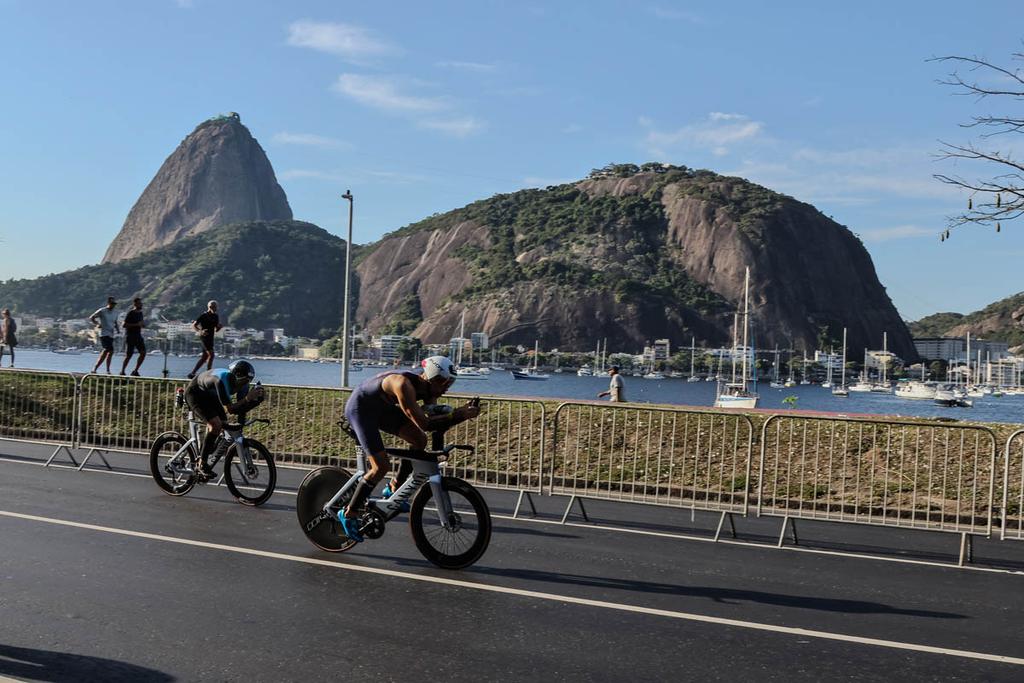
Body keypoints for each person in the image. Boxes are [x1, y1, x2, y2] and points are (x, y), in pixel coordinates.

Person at [338, 355, 480, 542]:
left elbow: (433, 422)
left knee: (419, 440)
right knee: (380, 467)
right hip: (361, 409)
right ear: (430, 377)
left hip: (382, 408)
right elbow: (425, 423)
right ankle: (349, 513)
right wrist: (459, 415)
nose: (446, 387)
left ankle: (394, 487)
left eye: (450, 383)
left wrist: (455, 415)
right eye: (444, 382)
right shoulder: (403, 385)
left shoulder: (430, 391)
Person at [183, 359, 265, 478]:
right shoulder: (221, 380)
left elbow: (239, 410)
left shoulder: (243, 384)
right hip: (195, 394)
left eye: (248, 382)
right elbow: (231, 409)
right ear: (236, 376)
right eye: (243, 381)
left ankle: (207, 450)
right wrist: (248, 398)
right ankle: (201, 464)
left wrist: (257, 401)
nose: (244, 385)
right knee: (215, 425)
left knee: (223, 424)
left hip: (210, 395)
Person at [188, 300, 222, 379]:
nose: (215, 309)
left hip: (211, 337)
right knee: (211, 355)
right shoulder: (204, 315)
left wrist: (220, 327)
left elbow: (216, 329)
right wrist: (200, 331)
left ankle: (192, 373)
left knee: (204, 357)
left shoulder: (216, 316)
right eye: (213, 307)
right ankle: (208, 373)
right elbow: (194, 325)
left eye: (216, 307)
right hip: (204, 337)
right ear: (209, 307)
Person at [89, 297, 120, 374]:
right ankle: (101, 369)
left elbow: (115, 322)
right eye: (112, 304)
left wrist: (118, 329)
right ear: (108, 303)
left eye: (114, 304)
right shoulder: (102, 311)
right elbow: (92, 317)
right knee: (109, 350)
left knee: (108, 351)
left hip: (111, 334)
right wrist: (97, 324)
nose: (113, 305)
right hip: (103, 333)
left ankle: (104, 369)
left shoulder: (115, 312)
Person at [120, 298, 147, 376]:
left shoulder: (140, 313)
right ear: (135, 304)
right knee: (129, 355)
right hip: (130, 336)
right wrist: (136, 325)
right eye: (139, 303)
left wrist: (142, 325)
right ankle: (122, 371)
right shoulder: (131, 313)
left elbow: (141, 323)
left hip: (138, 336)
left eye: (141, 303)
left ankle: (135, 370)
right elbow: (124, 325)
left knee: (143, 353)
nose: (141, 304)